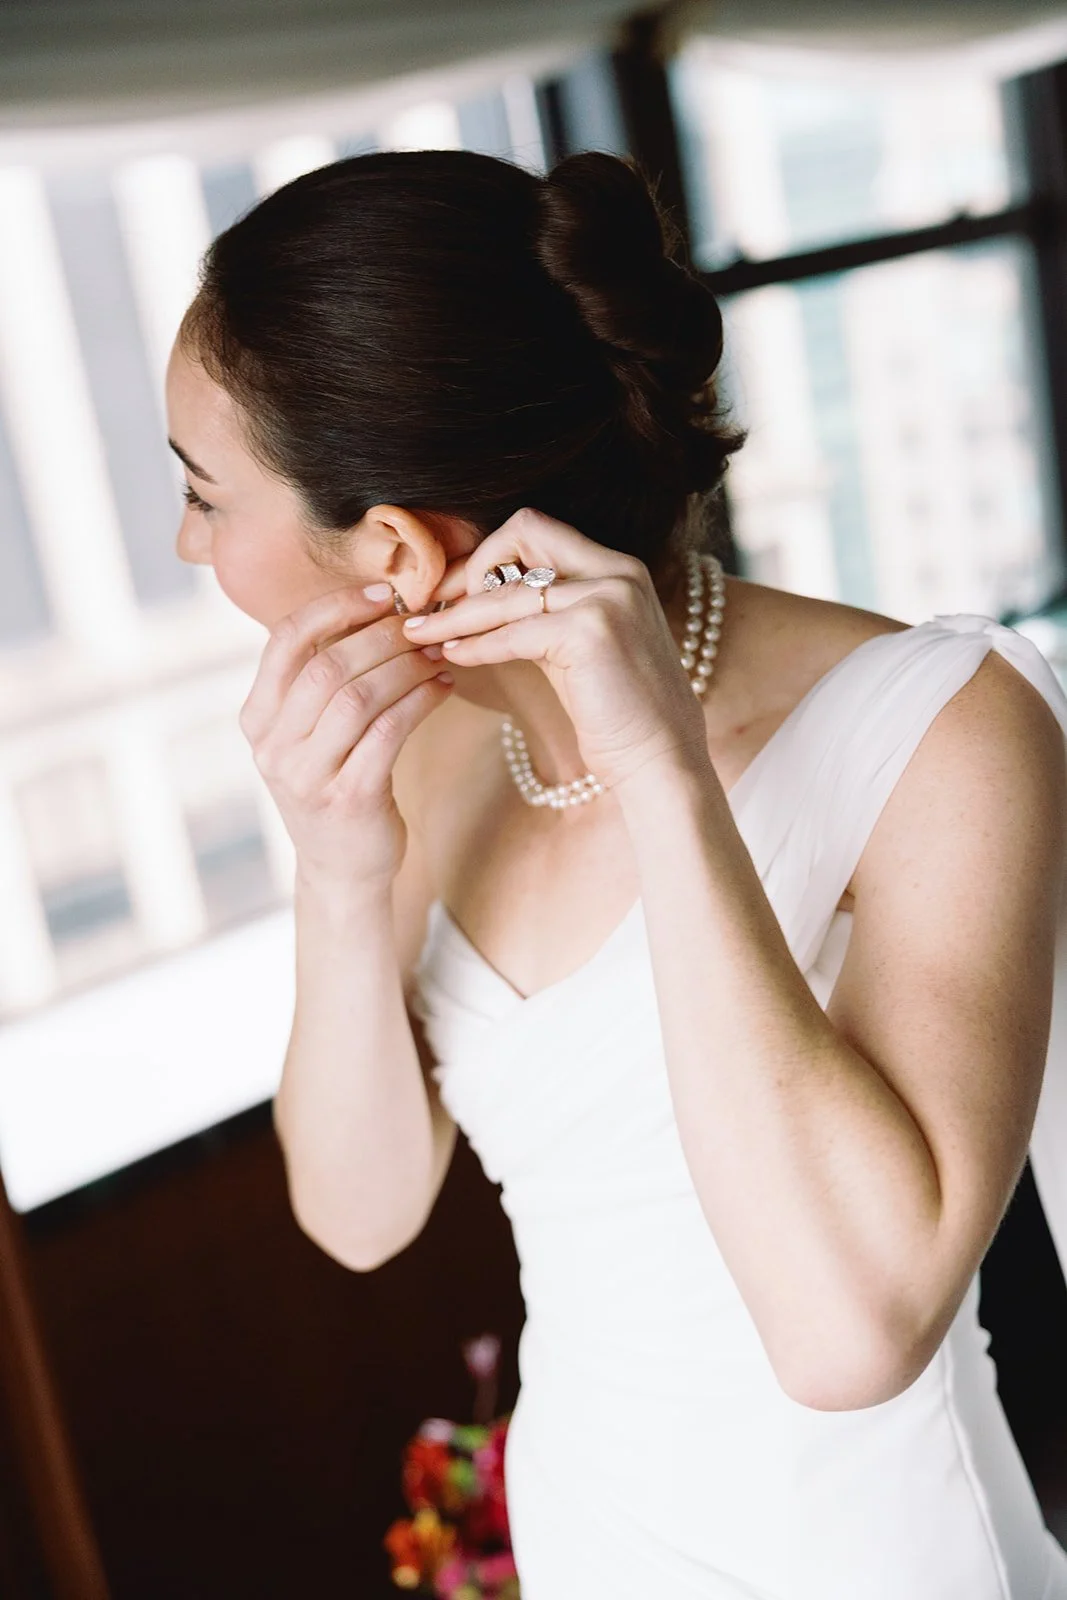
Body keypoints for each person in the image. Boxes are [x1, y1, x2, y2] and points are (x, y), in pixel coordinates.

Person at [166, 146, 1067, 1599]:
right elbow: (360, 1214)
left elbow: (849, 1335)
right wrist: (337, 875)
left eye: (206, 494)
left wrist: (662, 776)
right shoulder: (425, 753)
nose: (186, 538)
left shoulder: (949, 729)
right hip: (590, 1526)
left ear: (391, 546)